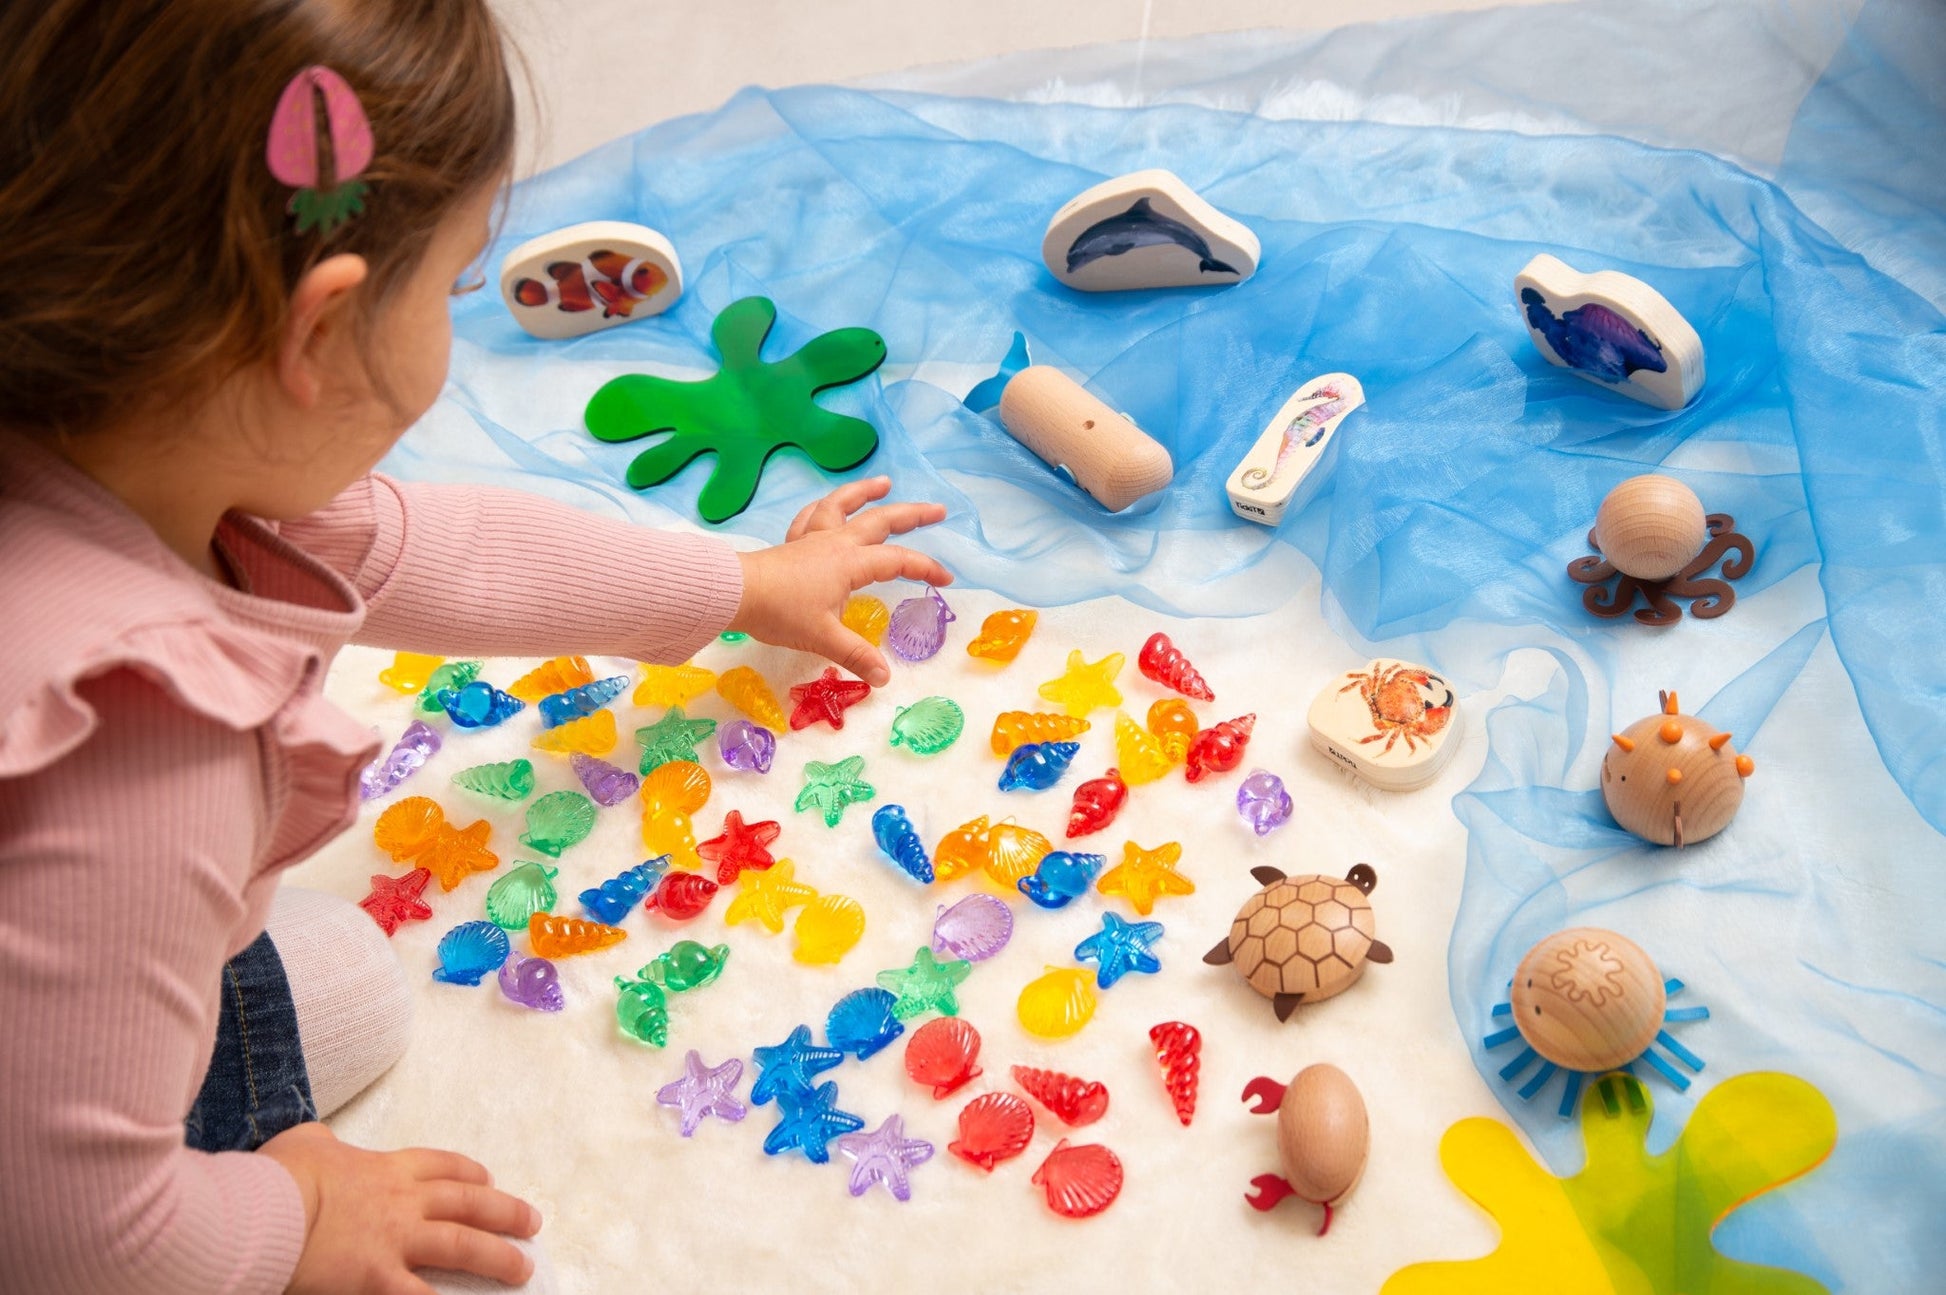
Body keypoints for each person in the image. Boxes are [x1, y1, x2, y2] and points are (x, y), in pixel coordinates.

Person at [0, 4, 951, 1293]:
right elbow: (77, 1241)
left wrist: (741, 586)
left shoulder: (108, 431)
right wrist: (289, 1219)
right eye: (454, 286)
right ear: (319, 332)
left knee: (319, 971)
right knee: (348, 1000)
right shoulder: (139, 757)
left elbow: (436, 553)